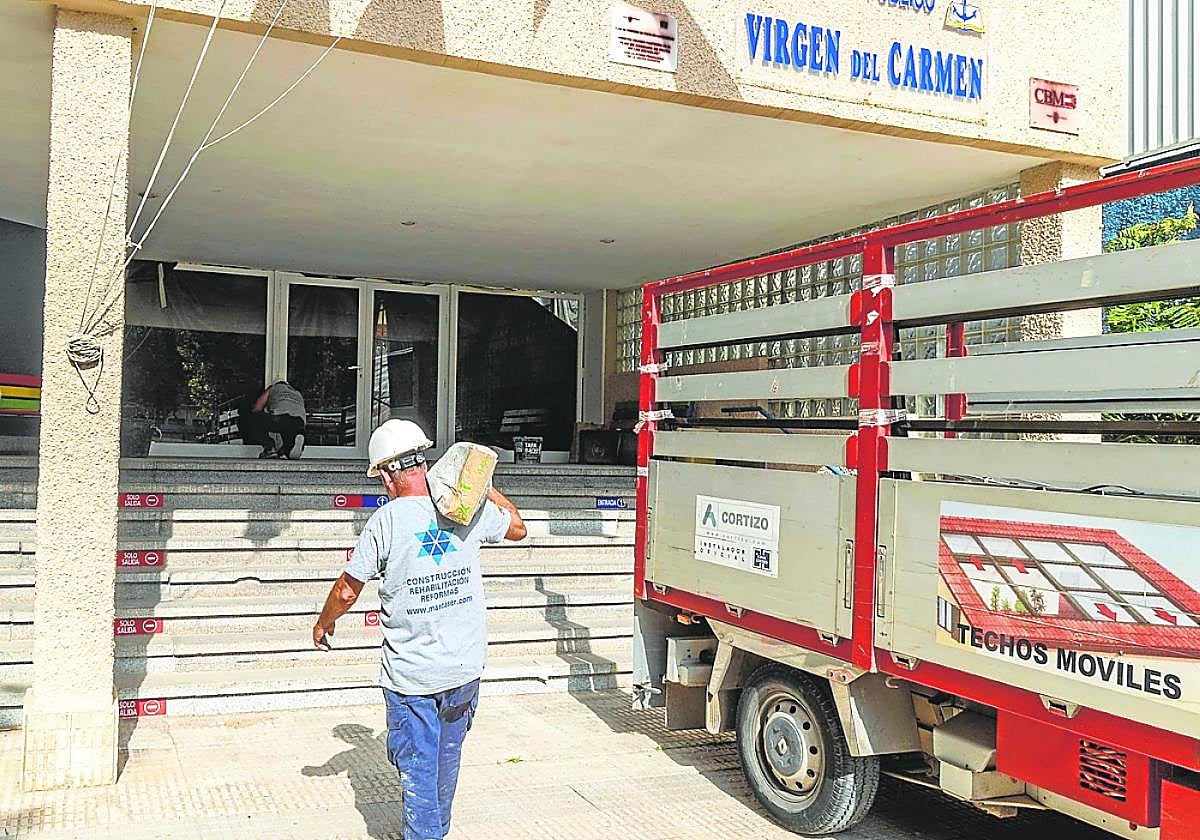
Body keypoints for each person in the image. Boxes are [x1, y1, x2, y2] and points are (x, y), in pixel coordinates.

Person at [311, 419, 527, 840]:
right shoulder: (464, 509)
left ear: (387, 474)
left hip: (414, 677)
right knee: (446, 760)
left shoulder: (385, 522)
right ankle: (435, 831)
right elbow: (518, 527)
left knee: (419, 769)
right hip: (464, 670)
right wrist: (481, 487)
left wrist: (324, 622)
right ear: (423, 463)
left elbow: (347, 590)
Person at [238, 380, 306, 459]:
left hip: (281, 418)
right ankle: (288, 449)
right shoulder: (297, 393)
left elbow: (257, 408)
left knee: (252, 418)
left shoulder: (273, 388)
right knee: (289, 439)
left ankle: (270, 448)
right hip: (298, 423)